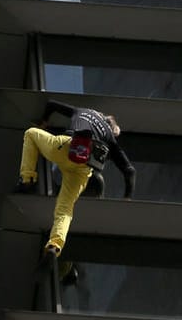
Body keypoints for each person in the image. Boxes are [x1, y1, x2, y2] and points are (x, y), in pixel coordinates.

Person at [15, 98, 136, 262]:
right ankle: (54, 246)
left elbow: (51, 104)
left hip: (66, 147)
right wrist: (127, 197)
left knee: (31, 134)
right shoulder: (109, 136)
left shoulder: (82, 111)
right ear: (111, 128)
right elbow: (129, 171)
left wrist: (43, 122)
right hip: (82, 169)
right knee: (65, 209)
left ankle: (27, 179)